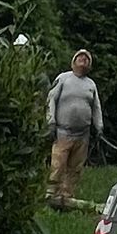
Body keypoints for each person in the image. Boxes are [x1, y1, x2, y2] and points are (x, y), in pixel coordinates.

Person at [46, 47, 103, 208]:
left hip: (82, 134)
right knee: (58, 164)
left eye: (86, 59)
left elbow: (96, 107)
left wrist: (99, 126)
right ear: (74, 61)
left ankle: (67, 195)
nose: (83, 60)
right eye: (80, 58)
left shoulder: (91, 84)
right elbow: (51, 99)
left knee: (75, 167)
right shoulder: (63, 78)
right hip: (63, 131)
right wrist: (50, 121)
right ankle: (50, 193)